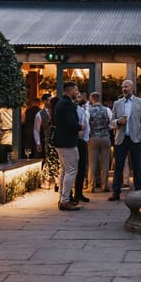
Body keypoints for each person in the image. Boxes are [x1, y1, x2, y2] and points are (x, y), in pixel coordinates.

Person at [109, 79, 141, 201]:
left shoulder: (140, 103)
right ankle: (116, 192)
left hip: (135, 139)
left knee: (137, 165)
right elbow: (111, 122)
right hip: (121, 139)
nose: (124, 89)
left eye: (126, 87)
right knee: (118, 166)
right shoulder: (117, 103)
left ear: (132, 88)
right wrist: (118, 122)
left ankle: (139, 191)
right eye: (123, 87)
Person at [52, 81, 83, 211]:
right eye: (76, 90)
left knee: (64, 171)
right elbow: (71, 122)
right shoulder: (67, 104)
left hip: (60, 142)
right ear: (70, 90)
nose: (77, 93)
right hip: (67, 142)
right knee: (71, 170)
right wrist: (80, 127)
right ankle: (65, 200)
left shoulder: (61, 103)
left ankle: (63, 198)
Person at [86, 92, 113, 192]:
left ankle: (91, 186)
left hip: (93, 138)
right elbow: (111, 124)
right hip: (105, 137)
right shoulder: (107, 110)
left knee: (92, 164)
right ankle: (104, 185)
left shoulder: (88, 111)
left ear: (91, 99)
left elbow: (87, 126)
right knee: (105, 163)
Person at [71, 91, 90, 204]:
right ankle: (70, 194)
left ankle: (79, 193)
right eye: (76, 97)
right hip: (75, 141)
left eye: (79, 97)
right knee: (73, 169)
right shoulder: (73, 110)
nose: (78, 99)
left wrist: (86, 138)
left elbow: (86, 125)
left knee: (82, 168)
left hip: (83, 141)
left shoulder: (82, 110)